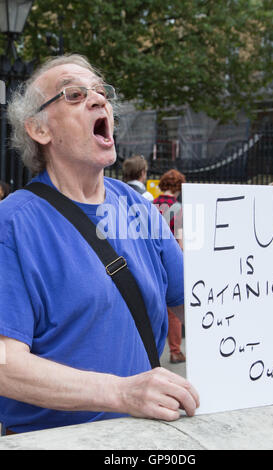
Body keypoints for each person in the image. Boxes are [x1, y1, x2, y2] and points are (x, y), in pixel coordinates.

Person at [0, 54, 199, 435]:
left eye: (100, 92)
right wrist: (122, 393)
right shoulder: (11, 225)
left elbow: (198, 303)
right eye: (74, 95)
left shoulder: (137, 208)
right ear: (39, 131)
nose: (98, 100)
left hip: (150, 437)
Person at [153, 169, 186, 364]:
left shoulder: (149, 204)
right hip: (170, 259)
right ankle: (175, 351)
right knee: (173, 310)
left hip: (151, 259)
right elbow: (179, 242)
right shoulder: (178, 208)